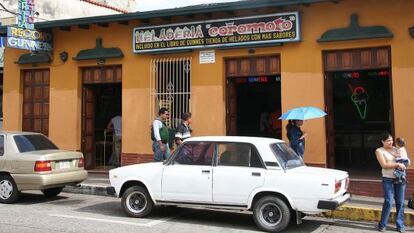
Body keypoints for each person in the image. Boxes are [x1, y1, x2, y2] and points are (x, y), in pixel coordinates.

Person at [376, 133, 406, 232]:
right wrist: (398, 164)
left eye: (392, 140)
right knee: (388, 201)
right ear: (382, 141)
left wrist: (404, 163)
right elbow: (384, 165)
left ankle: (400, 225)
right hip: (387, 179)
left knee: (400, 202)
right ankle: (382, 224)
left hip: (400, 179)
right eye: (388, 140)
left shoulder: (397, 149)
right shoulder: (379, 151)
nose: (391, 142)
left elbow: (405, 160)